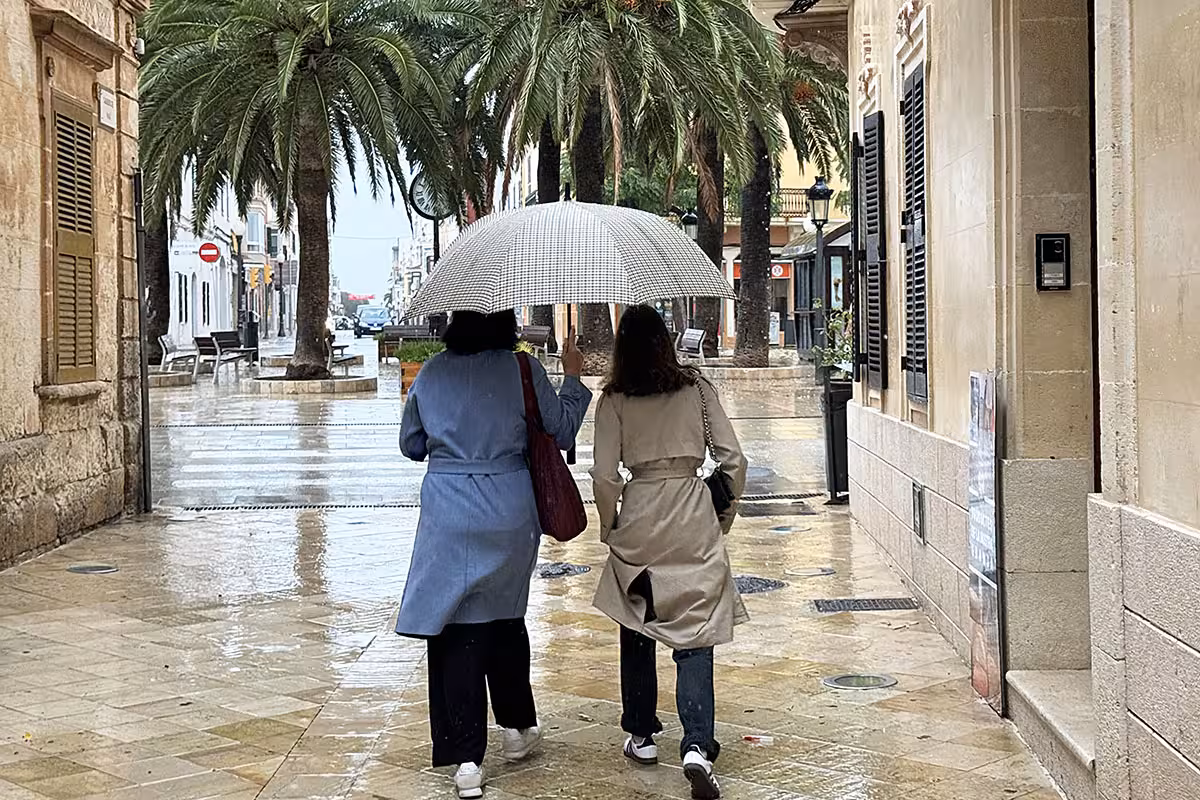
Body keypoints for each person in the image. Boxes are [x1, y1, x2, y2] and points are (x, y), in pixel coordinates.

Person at [396, 311, 591, 799]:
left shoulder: (434, 370)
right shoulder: (522, 369)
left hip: (448, 511)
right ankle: (516, 727)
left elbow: (411, 444)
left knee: (457, 627)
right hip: (509, 510)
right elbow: (562, 429)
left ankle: (467, 760)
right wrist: (572, 374)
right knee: (505, 617)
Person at [590, 305, 747, 800]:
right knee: (695, 627)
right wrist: (721, 515)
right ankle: (697, 744)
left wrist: (610, 524)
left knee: (638, 619)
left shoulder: (613, 399)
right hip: (690, 511)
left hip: (639, 513)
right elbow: (733, 458)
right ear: (664, 340)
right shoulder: (696, 388)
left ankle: (641, 734)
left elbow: (604, 474)